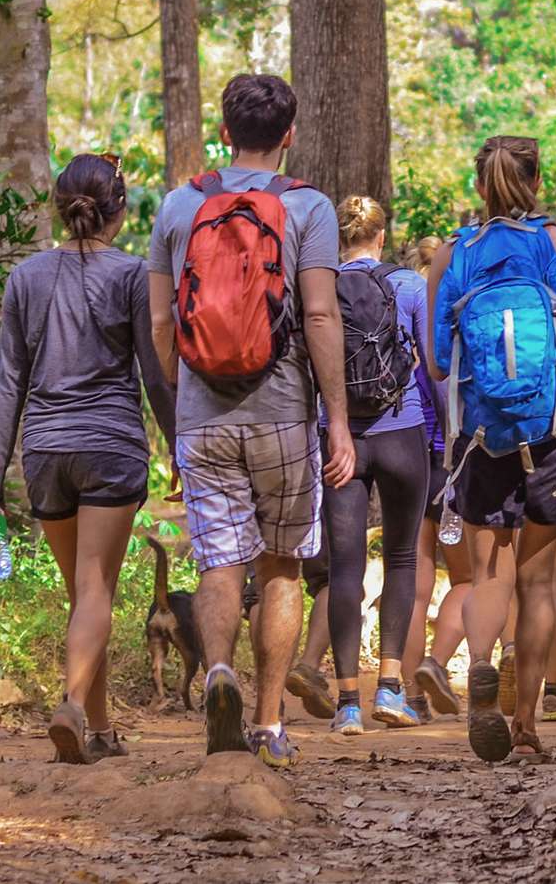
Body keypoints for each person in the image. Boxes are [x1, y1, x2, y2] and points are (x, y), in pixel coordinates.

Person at [147, 73, 356, 771]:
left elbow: (159, 322)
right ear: (290, 133)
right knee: (283, 565)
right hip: (283, 412)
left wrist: (184, 403)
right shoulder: (308, 207)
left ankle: (215, 674)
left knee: (218, 558)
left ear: (224, 130)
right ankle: (267, 722)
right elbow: (322, 314)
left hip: (203, 414)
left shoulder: (179, 205)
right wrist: (338, 419)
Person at [425, 135, 556, 763]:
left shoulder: (451, 255)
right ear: (537, 180)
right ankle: (525, 726)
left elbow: (439, 365)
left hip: (482, 436)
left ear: (479, 186)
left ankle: (484, 666)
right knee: (541, 581)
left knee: (489, 572)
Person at [0, 153, 165, 764]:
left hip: (45, 453)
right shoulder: (133, 274)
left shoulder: (25, 277)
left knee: (84, 595)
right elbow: (154, 374)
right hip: (110, 446)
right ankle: (74, 705)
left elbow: (8, 384)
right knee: (94, 590)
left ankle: (101, 732)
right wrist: (182, 442)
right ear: (120, 209)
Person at [314, 194, 432, 732]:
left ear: (340, 239)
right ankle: (389, 689)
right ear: (382, 236)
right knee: (403, 559)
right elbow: (433, 363)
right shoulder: (409, 285)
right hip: (403, 434)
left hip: (341, 439)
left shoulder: (320, 286)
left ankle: (346, 705)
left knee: (345, 568)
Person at [404, 237, 471, 717]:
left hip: (412, 460)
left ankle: (406, 692)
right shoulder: (459, 323)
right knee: (470, 579)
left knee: (414, 580)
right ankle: (437, 661)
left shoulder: (404, 320)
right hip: (458, 463)